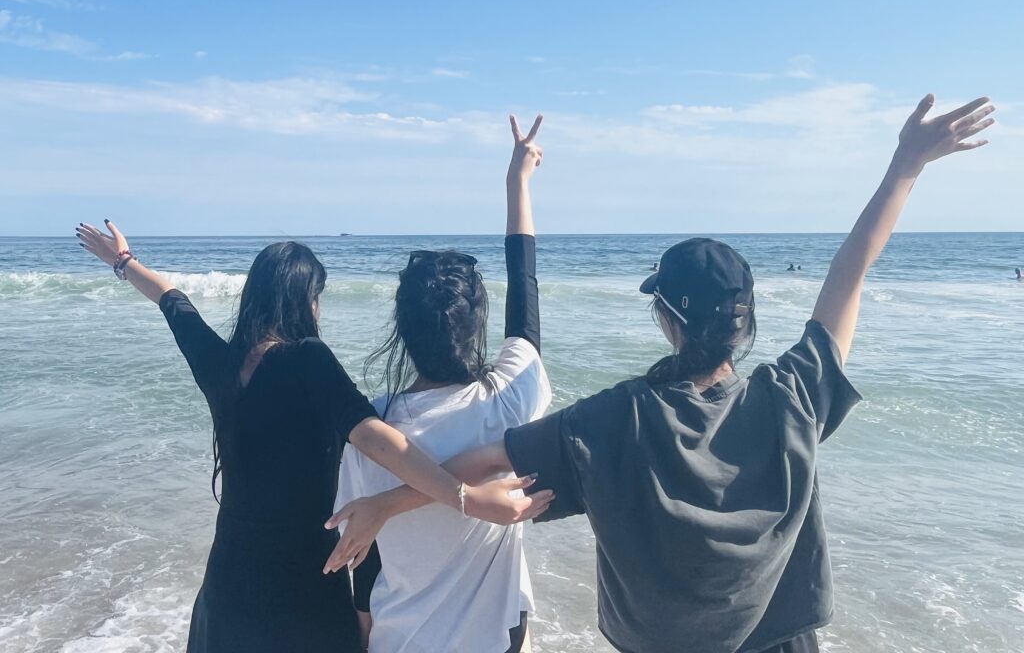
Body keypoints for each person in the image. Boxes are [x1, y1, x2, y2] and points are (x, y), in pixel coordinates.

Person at [327, 93, 994, 653]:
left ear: (668, 321)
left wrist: (389, 500)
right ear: (747, 319)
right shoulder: (793, 396)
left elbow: (483, 461)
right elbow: (848, 278)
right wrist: (907, 166)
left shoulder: (617, 418)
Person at [74, 222, 552, 653]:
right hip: (306, 581)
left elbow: (172, 300)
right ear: (305, 301)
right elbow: (376, 439)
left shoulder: (219, 364)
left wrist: (123, 261)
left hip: (229, 581)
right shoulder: (306, 358)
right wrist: (464, 497)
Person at [325, 114, 550, 653]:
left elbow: (364, 550)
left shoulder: (371, 429)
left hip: (403, 636)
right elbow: (527, 301)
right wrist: (517, 184)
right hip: (496, 636)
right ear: (476, 324)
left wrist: (362, 633)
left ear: (402, 331)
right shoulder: (511, 398)